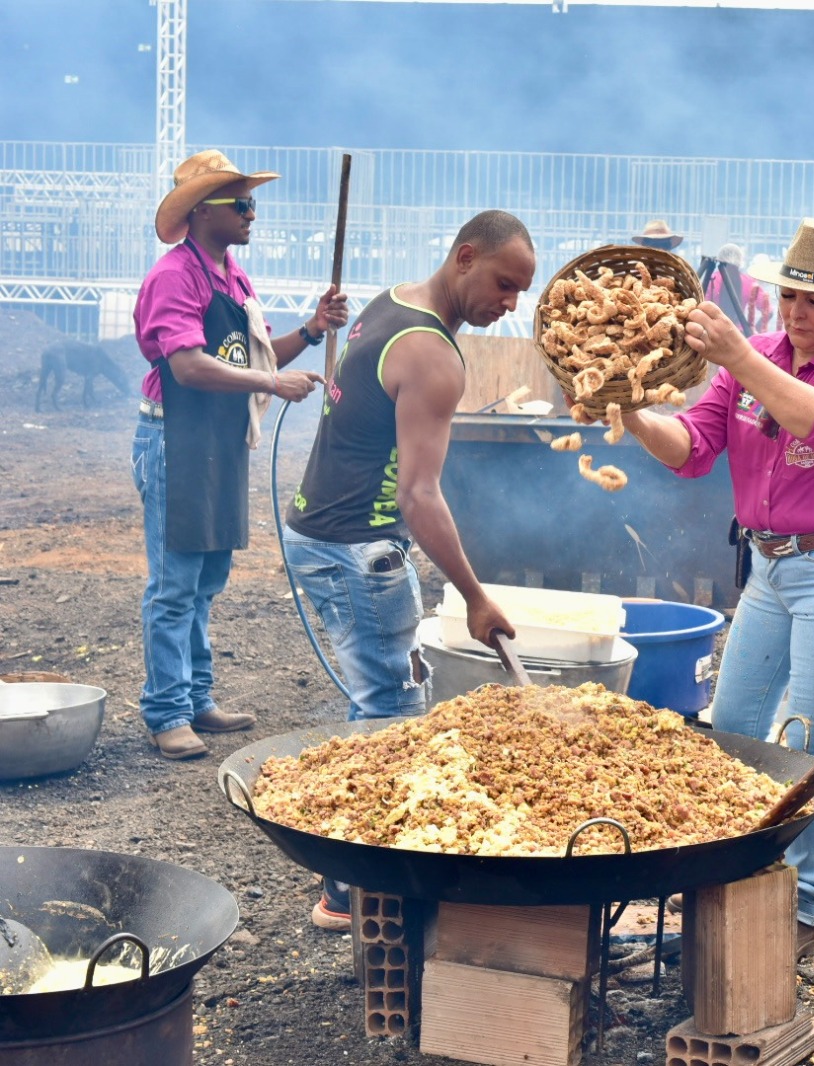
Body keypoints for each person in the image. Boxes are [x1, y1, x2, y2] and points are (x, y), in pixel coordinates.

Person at [595, 219, 814, 959]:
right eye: (790, 295)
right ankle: (734, 873)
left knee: (811, 739)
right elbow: (693, 449)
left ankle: (807, 906)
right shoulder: (753, 360)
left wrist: (739, 355)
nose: (797, 312)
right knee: (732, 723)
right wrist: (631, 411)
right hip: (767, 566)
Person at [283, 210, 531, 929]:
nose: (509, 304)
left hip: (318, 532)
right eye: (504, 284)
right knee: (390, 716)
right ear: (465, 257)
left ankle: (350, 879)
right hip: (357, 547)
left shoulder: (392, 301)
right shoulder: (433, 356)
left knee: (379, 701)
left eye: (520, 293)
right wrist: (476, 598)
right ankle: (349, 891)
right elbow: (421, 498)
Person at [133, 150, 345, 761]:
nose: (253, 214)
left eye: (252, 203)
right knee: (174, 584)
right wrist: (271, 384)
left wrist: (309, 331)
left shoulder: (231, 275)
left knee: (205, 580)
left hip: (216, 443)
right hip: (174, 439)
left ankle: (197, 698)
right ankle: (166, 711)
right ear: (204, 211)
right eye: (242, 204)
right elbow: (189, 365)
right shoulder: (176, 276)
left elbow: (253, 356)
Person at [702, 242, 774, 334]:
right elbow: (768, 311)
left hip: (713, 332)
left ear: (720, 259)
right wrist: (755, 330)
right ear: (740, 262)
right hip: (739, 335)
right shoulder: (749, 282)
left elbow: (701, 306)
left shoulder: (711, 279)